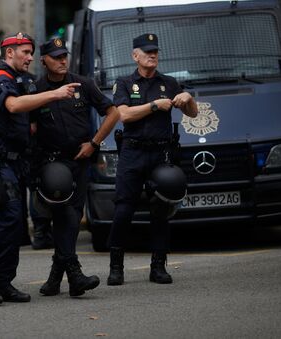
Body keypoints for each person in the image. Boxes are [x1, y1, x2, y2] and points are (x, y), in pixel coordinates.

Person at [0, 32, 81, 304]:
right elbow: (13, 105)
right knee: (8, 219)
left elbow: (31, 119)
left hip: (18, 162)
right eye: (25, 52)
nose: (30, 57)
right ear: (9, 53)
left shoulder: (24, 81)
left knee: (17, 225)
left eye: (32, 53)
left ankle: (4, 281)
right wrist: (53, 94)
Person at [106, 34, 198, 286]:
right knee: (124, 209)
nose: (153, 55)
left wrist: (188, 99)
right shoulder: (124, 83)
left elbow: (192, 113)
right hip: (133, 153)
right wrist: (155, 106)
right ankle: (116, 267)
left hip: (161, 154)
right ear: (135, 56)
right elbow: (124, 115)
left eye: (155, 51)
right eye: (147, 52)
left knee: (160, 211)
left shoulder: (168, 83)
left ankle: (158, 266)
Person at [33, 37, 120, 297]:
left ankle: (54, 280)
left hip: (80, 160)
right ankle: (75, 274)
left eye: (64, 55)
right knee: (66, 216)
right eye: (56, 56)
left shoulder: (83, 83)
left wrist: (94, 143)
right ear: (43, 61)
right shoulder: (36, 89)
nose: (62, 60)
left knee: (71, 217)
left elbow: (113, 112)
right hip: (51, 164)